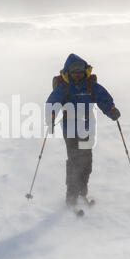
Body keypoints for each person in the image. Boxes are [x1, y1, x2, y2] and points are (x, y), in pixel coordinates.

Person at [45, 53, 121, 207]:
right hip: (70, 128)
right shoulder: (64, 87)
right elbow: (52, 102)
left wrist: (111, 110)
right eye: (74, 71)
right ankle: (71, 194)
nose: (77, 74)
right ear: (68, 72)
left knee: (86, 160)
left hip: (86, 127)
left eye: (80, 71)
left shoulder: (90, 86)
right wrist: (51, 117)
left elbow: (103, 99)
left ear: (85, 71)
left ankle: (82, 189)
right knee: (74, 160)